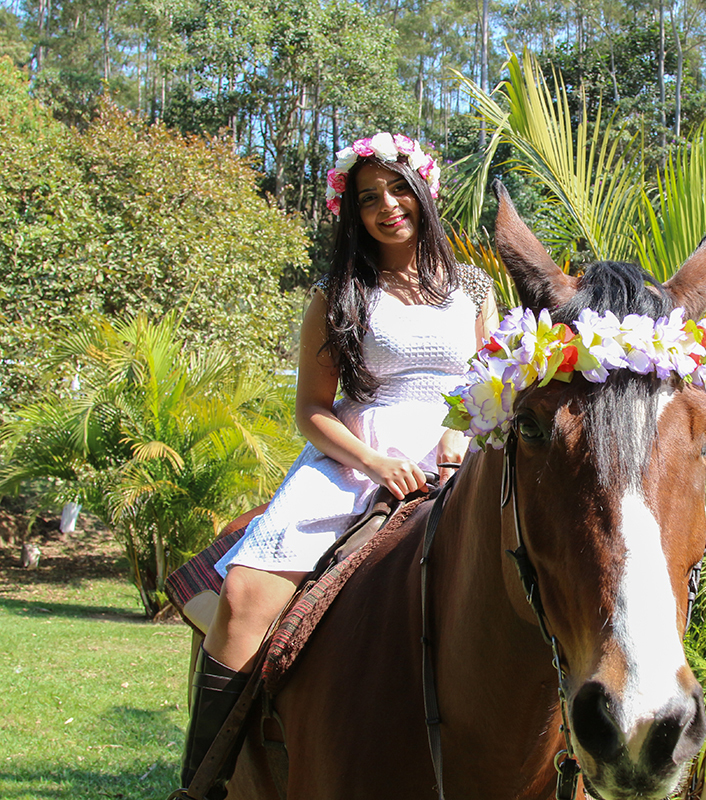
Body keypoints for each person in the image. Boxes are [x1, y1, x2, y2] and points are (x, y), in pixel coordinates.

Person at [176, 131, 496, 797]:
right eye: (369, 197)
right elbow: (312, 410)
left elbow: (491, 382)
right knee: (242, 599)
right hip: (355, 454)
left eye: (399, 189)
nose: (388, 206)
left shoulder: (473, 286)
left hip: (460, 454)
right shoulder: (339, 290)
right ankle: (203, 783)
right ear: (351, 211)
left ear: (426, 193)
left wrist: (461, 437)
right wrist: (376, 463)